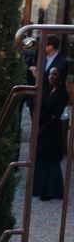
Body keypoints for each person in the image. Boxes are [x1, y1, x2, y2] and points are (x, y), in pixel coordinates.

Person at [33, 68, 69, 201]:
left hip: (52, 131)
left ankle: (52, 190)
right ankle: (41, 188)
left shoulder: (62, 93)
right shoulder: (48, 91)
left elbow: (56, 115)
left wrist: (42, 128)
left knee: (51, 160)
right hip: (44, 129)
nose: (51, 76)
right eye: (50, 74)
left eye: (55, 74)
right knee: (42, 158)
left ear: (60, 77)